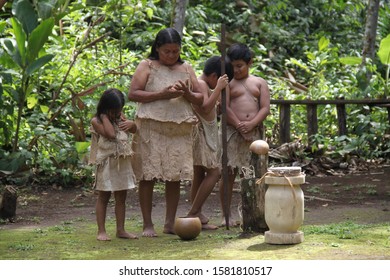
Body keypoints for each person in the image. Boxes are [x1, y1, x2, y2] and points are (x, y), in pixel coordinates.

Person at [128, 27, 203, 237]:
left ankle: (170, 223)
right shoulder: (147, 65)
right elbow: (133, 93)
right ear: (157, 48)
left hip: (179, 128)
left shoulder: (186, 68)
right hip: (150, 128)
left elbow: (200, 99)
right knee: (147, 175)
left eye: (175, 51)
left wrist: (187, 92)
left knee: (174, 175)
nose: (171, 56)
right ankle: (147, 224)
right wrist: (161, 94)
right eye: (167, 51)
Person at [219, 43, 271, 227]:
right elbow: (224, 107)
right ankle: (227, 215)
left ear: (249, 63)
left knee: (251, 174)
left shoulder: (259, 82)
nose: (236, 70)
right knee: (229, 173)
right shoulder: (227, 83)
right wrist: (239, 125)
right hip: (233, 134)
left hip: (253, 134)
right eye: (232, 66)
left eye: (239, 66)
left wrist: (251, 124)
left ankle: (253, 211)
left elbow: (265, 108)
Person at [186, 56, 233, 230]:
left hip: (204, 132)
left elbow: (209, 107)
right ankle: (193, 212)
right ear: (215, 76)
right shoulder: (203, 85)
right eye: (219, 81)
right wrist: (218, 89)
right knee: (214, 172)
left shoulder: (203, 85)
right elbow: (205, 107)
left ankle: (196, 212)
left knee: (199, 173)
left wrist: (217, 104)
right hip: (201, 134)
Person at [89, 88, 138, 241]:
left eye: (119, 110)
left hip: (122, 162)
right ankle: (101, 231)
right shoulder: (97, 121)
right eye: (113, 110)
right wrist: (104, 116)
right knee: (104, 197)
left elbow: (135, 130)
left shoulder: (119, 117)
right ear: (105, 107)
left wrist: (132, 124)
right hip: (107, 164)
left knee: (121, 198)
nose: (117, 113)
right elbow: (110, 135)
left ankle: (121, 229)